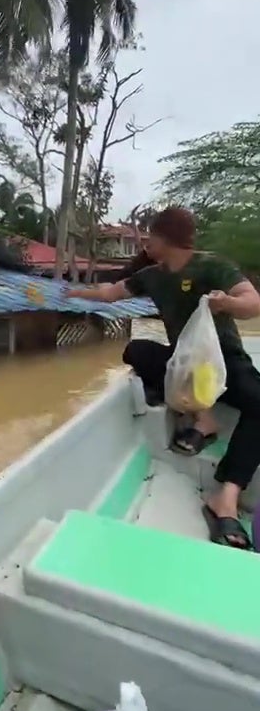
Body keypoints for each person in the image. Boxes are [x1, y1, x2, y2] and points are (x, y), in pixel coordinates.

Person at [64, 206, 260, 550]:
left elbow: (253, 303)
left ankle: (226, 498)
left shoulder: (211, 265)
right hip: (184, 364)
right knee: (135, 350)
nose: (144, 242)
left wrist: (226, 302)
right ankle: (206, 418)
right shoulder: (153, 275)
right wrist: (73, 293)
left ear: (165, 237)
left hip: (221, 361)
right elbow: (111, 292)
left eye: (148, 235)